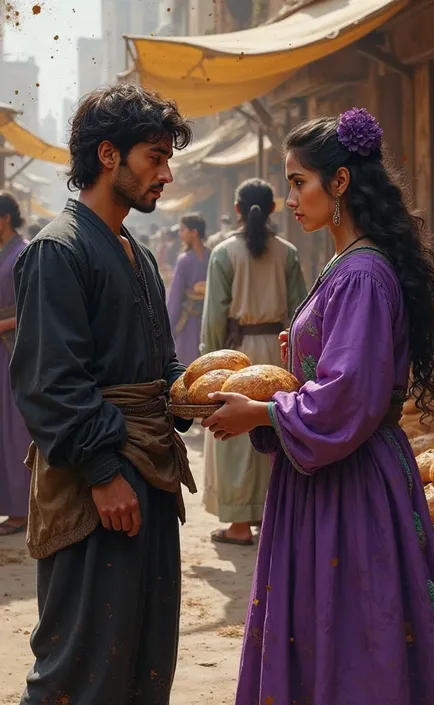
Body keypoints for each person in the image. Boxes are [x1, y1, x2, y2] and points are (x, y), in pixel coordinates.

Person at [203, 110, 434, 703]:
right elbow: (338, 372)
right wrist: (296, 361)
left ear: (341, 182)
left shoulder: (360, 274)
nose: (289, 198)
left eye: (299, 182)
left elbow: (348, 395)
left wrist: (264, 413)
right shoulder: (345, 267)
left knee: (358, 631)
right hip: (332, 475)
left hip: (351, 484)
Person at [10, 84, 196, 705]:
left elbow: (160, 362)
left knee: (143, 656)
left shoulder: (136, 251)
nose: (166, 174)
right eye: (155, 157)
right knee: (82, 664)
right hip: (99, 486)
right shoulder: (58, 250)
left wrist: (195, 394)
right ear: (109, 155)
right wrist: (101, 469)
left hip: (150, 474)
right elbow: (51, 382)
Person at [201, 178, 306, 545]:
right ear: (274, 208)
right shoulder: (288, 252)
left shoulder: (224, 253)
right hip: (278, 355)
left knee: (233, 438)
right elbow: (300, 312)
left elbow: (215, 316)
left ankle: (239, 526)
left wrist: (209, 364)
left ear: (236, 211)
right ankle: (272, 518)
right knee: (273, 432)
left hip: (236, 356)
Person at [0, 192, 31, 536]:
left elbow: (31, 307)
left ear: (5, 218)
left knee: (14, 431)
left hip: (13, 352)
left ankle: (21, 510)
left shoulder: (23, 253)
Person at [167, 213, 210, 367]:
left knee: (187, 366)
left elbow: (175, 299)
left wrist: (169, 327)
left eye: (183, 230)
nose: (180, 234)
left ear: (194, 232)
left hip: (189, 323)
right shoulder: (212, 256)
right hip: (209, 321)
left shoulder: (184, 260)